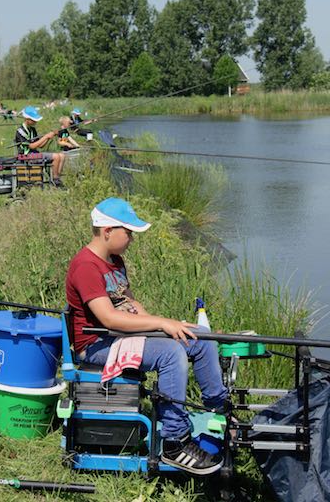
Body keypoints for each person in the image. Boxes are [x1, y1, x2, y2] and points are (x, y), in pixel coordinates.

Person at [65, 197, 228, 475]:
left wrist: (167, 326)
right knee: (170, 352)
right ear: (107, 231)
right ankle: (175, 442)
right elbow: (109, 318)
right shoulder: (86, 266)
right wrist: (162, 325)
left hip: (118, 337)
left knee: (200, 337)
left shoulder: (115, 261)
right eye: (128, 232)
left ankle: (219, 409)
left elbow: (131, 304)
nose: (131, 239)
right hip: (96, 344)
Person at [15, 106, 65, 187]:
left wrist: (49, 137)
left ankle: (57, 177)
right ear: (27, 119)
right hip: (26, 156)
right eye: (33, 120)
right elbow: (31, 146)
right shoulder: (21, 131)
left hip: (35, 154)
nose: (35, 122)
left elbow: (40, 145)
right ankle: (55, 180)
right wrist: (46, 136)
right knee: (56, 157)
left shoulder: (32, 129)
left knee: (62, 156)